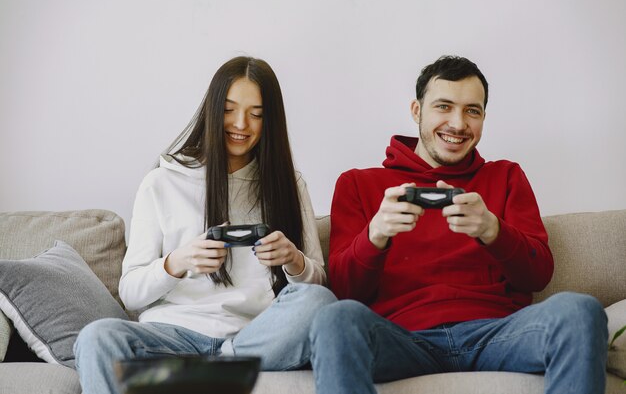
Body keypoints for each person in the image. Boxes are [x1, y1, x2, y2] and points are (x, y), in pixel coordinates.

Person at [309, 55, 608, 394]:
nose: (458, 123)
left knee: (580, 310)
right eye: (444, 106)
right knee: (334, 319)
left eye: (472, 111)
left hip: (496, 334)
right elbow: (345, 292)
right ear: (417, 110)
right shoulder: (358, 184)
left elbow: (538, 276)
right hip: (399, 338)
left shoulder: (506, 176)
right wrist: (375, 235)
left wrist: (493, 231)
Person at [73, 56, 336, 394]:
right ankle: (220, 373)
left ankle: (220, 367)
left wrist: (294, 261)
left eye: (256, 114)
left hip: (248, 338)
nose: (241, 123)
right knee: (97, 337)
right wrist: (178, 262)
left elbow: (319, 285)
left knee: (319, 304)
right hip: (171, 336)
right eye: (229, 109)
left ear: (269, 120)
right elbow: (131, 293)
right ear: (211, 111)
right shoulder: (162, 182)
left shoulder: (288, 185)